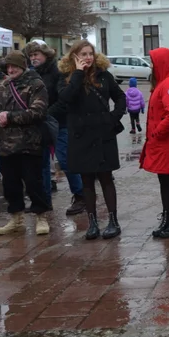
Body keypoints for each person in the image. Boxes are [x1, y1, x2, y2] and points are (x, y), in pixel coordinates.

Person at [55, 40, 126, 240]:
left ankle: (113, 220)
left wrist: (113, 118)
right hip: (80, 135)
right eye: (83, 54)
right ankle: (92, 222)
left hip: (103, 133)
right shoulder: (66, 78)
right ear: (74, 57)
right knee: (86, 180)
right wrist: (78, 73)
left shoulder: (104, 75)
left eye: (90, 54)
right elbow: (65, 98)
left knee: (105, 178)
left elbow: (120, 97)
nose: (88, 57)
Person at [0, 51, 52, 235]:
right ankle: (16, 218)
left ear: (23, 66)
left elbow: (37, 112)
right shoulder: (4, 85)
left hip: (30, 143)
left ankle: (41, 216)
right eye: (8, 66)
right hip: (6, 145)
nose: (11, 69)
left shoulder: (36, 85)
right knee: (10, 184)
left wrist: (10, 116)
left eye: (14, 66)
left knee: (33, 182)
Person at [27, 40, 85, 216]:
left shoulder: (57, 72)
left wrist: (48, 112)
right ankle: (44, 200)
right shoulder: (32, 74)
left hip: (60, 122)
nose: (33, 58)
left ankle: (80, 195)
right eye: (30, 55)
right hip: (41, 123)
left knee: (66, 161)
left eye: (36, 54)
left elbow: (64, 99)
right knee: (42, 162)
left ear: (46, 54)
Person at [139, 48, 169, 240]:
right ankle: (168, 218)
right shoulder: (164, 82)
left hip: (167, 142)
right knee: (165, 181)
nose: (151, 65)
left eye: (153, 61)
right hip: (162, 143)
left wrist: (157, 132)